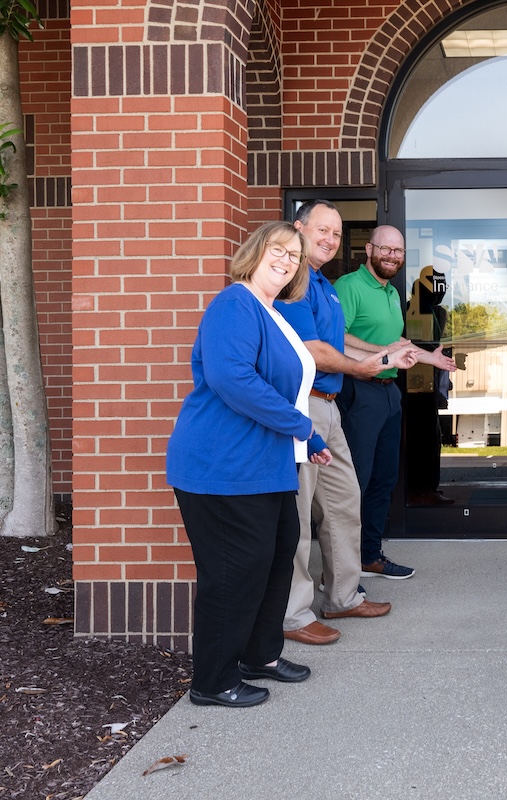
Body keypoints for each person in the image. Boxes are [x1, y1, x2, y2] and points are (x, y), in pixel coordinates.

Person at [166, 221, 326, 707]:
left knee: (276, 560)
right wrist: (302, 429)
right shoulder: (234, 304)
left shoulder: (272, 312)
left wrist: (298, 442)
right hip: (222, 468)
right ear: (256, 251)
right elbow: (231, 378)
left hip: (267, 465)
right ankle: (212, 681)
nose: (286, 261)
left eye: (295, 257)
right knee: (233, 571)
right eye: (278, 250)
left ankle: (260, 655)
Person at [276, 200, 416, 647]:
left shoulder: (324, 286)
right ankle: (294, 614)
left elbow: (343, 344)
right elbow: (315, 350)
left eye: (336, 234)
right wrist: (364, 368)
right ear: (299, 229)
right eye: (322, 230)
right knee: (299, 512)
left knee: (343, 500)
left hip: (330, 405)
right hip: (303, 406)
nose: (330, 240)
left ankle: (342, 595)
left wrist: (382, 358)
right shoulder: (295, 283)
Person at [335, 225, 457, 579]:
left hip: (389, 392)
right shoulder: (349, 287)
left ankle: (369, 556)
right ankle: (340, 568)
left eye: (398, 252)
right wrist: (386, 353)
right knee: (354, 481)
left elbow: (396, 339)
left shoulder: (390, 292)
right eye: (386, 249)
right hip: (360, 389)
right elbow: (336, 338)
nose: (392, 256)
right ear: (369, 249)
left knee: (383, 479)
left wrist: (428, 358)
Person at [404, 265, 454, 505]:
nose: (439, 291)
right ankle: (419, 490)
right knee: (421, 437)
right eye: (435, 285)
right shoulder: (414, 310)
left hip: (426, 381)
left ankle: (424, 489)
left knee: (430, 436)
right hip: (414, 384)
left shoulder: (435, 312)